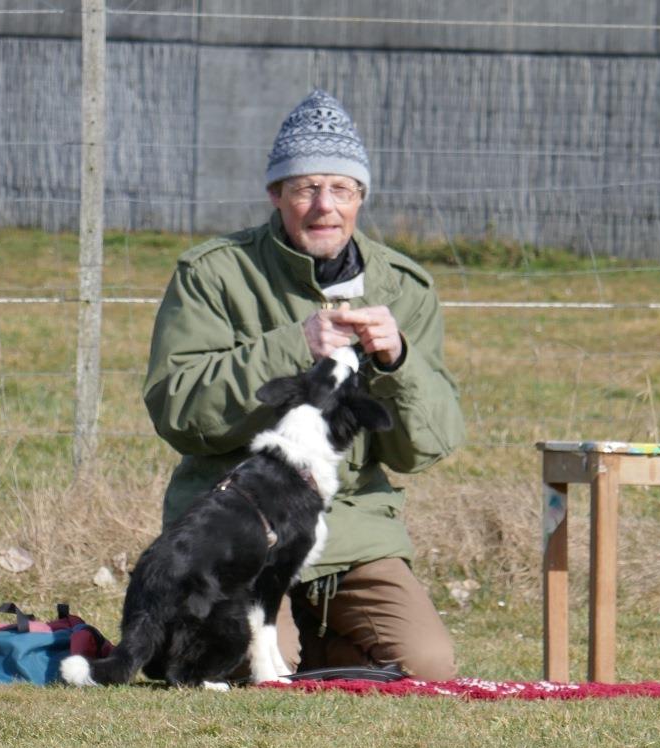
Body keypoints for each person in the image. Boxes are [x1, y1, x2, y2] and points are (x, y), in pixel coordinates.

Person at [143, 89, 465, 680]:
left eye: (341, 188)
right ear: (275, 194)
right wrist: (295, 344)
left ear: (362, 197)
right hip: (236, 522)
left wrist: (399, 362)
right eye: (304, 188)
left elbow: (429, 448)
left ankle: (312, 651)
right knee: (244, 662)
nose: (324, 206)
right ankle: (230, 640)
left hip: (352, 530)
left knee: (429, 665)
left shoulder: (406, 288)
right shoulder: (213, 274)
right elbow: (177, 409)